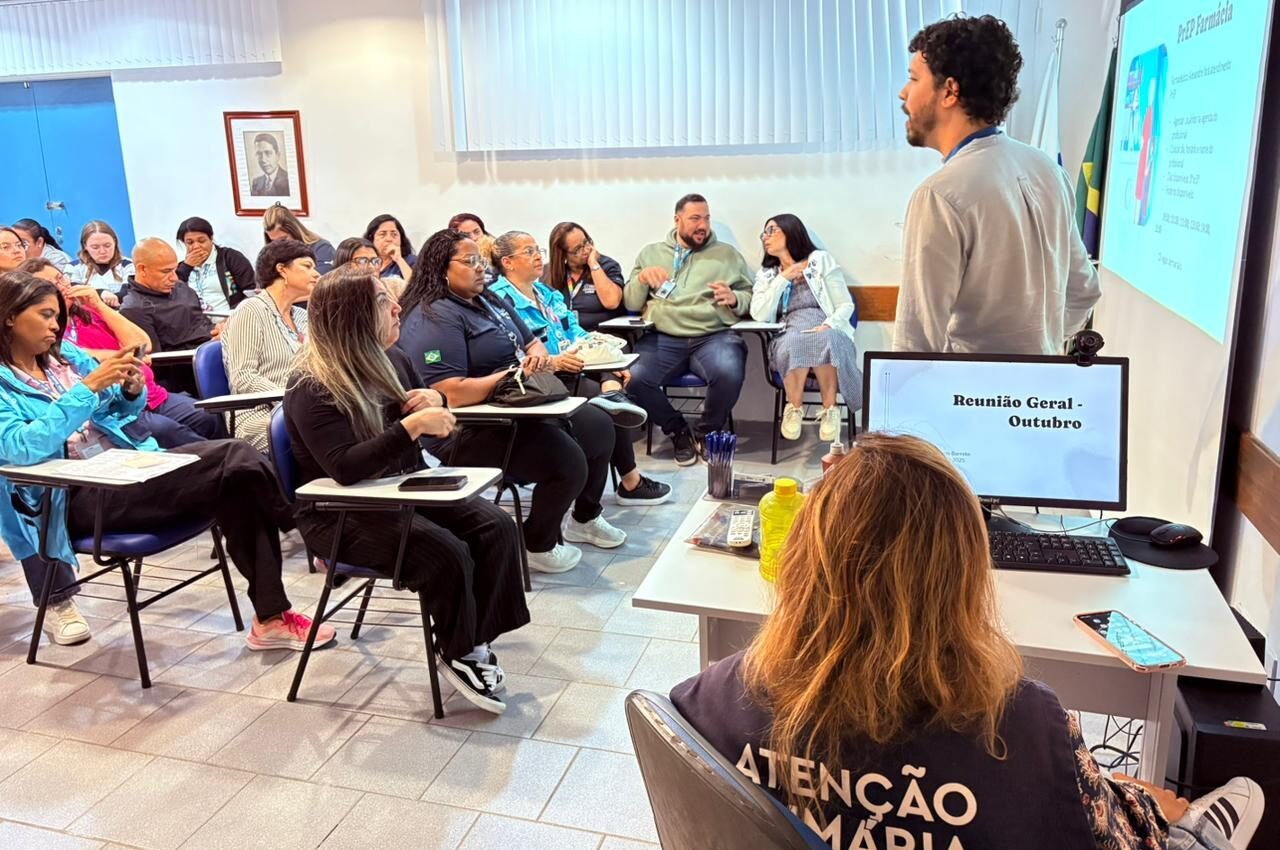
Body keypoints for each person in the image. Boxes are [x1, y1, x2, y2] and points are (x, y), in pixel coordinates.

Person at [672, 432, 1266, 850]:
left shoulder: (709, 700)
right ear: (962, 575)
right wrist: (1150, 810)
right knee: (1188, 814)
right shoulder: (1026, 727)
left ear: (805, 557)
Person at [0, 270, 336, 652]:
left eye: (57, 316)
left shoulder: (65, 358)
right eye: (45, 315)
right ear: (10, 316)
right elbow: (20, 446)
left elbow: (117, 411)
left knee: (238, 479)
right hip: (76, 496)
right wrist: (88, 389)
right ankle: (312, 532)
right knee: (233, 455)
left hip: (127, 467)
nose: (55, 325)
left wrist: (130, 392)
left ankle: (272, 618)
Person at [285, 266, 530, 714]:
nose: (398, 307)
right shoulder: (312, 384)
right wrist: (411, 426)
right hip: (339, 513)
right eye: (383, 301)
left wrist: (435, 401)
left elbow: (431, 418)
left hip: (399, 488)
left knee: (496, 526)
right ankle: (458, 649)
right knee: (445, 552)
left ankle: (471, 638)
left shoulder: (392, 358)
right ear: (353, 316)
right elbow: (345, 468)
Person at [396, 229, 623, 574]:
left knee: (599, 427)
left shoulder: (487, 299)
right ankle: (537, 542)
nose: (480, 268)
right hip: (466, 428)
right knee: (567, 460)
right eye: (469, 261)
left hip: (516, 405)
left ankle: (585, 518)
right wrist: (512, 375)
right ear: (442, 268)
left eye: (480, 260)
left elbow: (532, 342)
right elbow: (450, 392)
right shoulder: (434, 317)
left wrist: (536, 360)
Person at [894, 15, 1101, 354]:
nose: (903, 93)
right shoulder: (1049, 171)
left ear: (949, 91)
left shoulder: (940, 195)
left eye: (914, 79)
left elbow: (913, 345)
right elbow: (1084, 291)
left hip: (968, 386)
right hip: (1042, 384)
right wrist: (1035, 345)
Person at [488, 232, 670, 506]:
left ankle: (611, 393)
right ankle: (624, 485)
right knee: (603, 410)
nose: (538, 257)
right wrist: (557, 360)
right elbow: (511, 354)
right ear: (508, 262)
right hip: (537, 380)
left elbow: (576, 334)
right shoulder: (498, 301)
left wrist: (609, 360)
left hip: (572, 369)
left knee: (611, 363)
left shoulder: (546, 293)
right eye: (528, 252)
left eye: (537, 250)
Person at [22, 258, 227, 448]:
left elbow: (142, 344)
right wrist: (122, 357)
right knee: (170, 432)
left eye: (61, 278)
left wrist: (99, 305)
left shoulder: (88, 313)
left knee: (208, 416)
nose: (62, 287)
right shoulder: (45, 332)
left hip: (149, 392)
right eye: (51, 285)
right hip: (113, 406)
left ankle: (225, 461)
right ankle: (219, 463)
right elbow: (75, 355)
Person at [623, 194, 752, 465]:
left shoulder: (727, 255)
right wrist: (642, 279)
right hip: (662, 338)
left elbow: (750, 296)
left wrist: (735, 298)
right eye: (695, 219)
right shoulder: (651, 253)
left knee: (728, 371)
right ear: (677, 220)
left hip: (714, 336)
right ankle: (678, 430)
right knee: (634, 377)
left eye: (706, 218)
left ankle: (706, 433)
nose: (702, 225)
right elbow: (632, 303)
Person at [751, 214, 861, 442]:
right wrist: (783, 278)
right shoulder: (767, 274)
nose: (765, 237)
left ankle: (830, 409)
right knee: (794, 341)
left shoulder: (820, 260)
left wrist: (828, 324)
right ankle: (794, 408)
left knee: (827, 338)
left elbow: (845, 304)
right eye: (764, 232)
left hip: (825, 324)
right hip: (789, 328)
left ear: (791, 231)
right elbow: (759, 314)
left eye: (772, 230)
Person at [220, 239, 317, 452]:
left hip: (303, 408)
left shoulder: (302, 316)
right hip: (259, 414)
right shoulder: (250, 311)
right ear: (282, 269)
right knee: (327, 431)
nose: (316, 274)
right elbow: (243, 376)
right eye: (307, 266)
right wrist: (292, 400)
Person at [119, 238, 216, 354]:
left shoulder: (179, 287)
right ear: (142, 269)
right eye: (166, 271)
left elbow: (202, 322)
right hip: (192, 358)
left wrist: (219, 331)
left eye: (174, 270)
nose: (174, 278)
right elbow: (154, 359)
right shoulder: (134, 309)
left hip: (214, 344)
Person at [545, 221, 626, 331]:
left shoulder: (607, 266)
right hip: (568, 335)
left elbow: (612, 302)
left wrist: (593, 265)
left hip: (604, 334)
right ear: (562, 255)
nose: (587, 250)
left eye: (586, 242)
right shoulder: (550, 273)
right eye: (578, 249)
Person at [174, 217, 256, 314]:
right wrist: (186, 267)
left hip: (229, 317)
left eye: (201, 241)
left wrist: (234, 316)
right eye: (190, 242)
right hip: (194, 321)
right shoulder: (182, 267)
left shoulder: (230, 257)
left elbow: (250, 292)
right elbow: (173, 293)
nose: (196, 247)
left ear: (211, 238)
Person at [69, 220, 131, 307]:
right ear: (85, 246)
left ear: (115, 242)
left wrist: (110, 298)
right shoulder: (73, 267)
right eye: (95, 247)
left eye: (107, 245)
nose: (102, 251)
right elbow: (75, 292)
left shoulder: (128, 265)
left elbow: (129, 293)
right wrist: (101, 293)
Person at [263, 204, 336, 273]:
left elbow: (321, 279)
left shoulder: (322, 248)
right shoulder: (271, 256)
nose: (279, 246)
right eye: (273, 242)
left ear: (295, 231)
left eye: (283, 240)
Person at [364, 214, 416, 281]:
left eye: (394, 234)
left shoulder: (411, 261)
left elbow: (416, 285)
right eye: (382, 234)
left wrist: (399, 259)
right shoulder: (364, 262)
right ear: (371, 238)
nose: (389, 239)